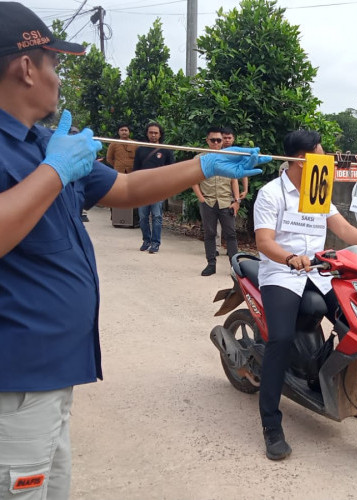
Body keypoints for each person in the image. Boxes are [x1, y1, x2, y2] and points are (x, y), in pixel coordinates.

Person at [0, 5, 268, 497]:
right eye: (55, 65)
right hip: (14, 380)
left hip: (49, 377)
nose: (59, 79)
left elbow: (124, 189)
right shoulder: (35, 155)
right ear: (25, 67)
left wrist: (204, 164)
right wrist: (54, 172)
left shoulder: (43, 143)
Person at [253, 130, 357, 461]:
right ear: (302, 159)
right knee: (280, 339)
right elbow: (264, 242)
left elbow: (342, 228)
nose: (326, 158)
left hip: (319, 272)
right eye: (320, 153)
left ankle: (326, 377)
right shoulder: (270, 194)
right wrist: (289, 258)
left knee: (355, 319)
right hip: (281, 273)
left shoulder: (317, 189)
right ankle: (271, 424)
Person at [192, 127, 240, 276]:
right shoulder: (200, 159)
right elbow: (194, 180)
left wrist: (237, 200)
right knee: (210, 234)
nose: (216, 143)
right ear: (207, 141)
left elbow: (234, 180)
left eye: (219, 140)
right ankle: (211, 264)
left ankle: (235, 268)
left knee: (231, 234)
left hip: (226, 201)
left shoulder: (230, 158)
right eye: (213, 140)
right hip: (208, 202)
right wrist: (201, 198)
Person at [132, 121, 175, 253]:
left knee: (157, 216)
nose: (153, 135)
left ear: (160, 134)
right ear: (147, 133)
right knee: (143, 216)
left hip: (158, 188)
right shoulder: (140, 149)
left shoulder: (166, 150)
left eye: (156, 133)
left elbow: (171, 169)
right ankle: (146, 240)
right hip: (143, 188)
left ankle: (156, 243)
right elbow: (136, 169)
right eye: (151, 132)